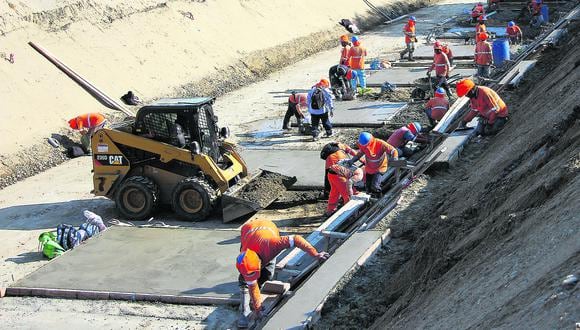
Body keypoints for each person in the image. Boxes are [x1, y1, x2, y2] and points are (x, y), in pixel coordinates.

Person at [235, 219, 330, 328]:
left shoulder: (273, 244)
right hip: (248, 229)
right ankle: (244, 311)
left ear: (260, 263)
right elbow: (252, 284)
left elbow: (296, 238)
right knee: (245, 283)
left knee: (266, 276)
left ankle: (256, 296)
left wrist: (316, 254)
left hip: (268, 227)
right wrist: (258, 309)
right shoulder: (244, 257)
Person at [320, 142, 361, 215]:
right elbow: (354, 153)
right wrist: (363, 160)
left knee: (334, 193)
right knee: (349, 195)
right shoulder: (341, 146)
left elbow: (327, 175)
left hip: (332, 176)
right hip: (339, 177)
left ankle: (330, 211)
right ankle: (349, 214)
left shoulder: (330, 158)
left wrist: (326, 190)